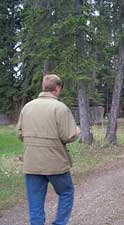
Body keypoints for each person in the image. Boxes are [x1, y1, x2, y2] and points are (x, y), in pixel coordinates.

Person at [17, 74, 80, 225]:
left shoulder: (28, 107)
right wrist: (77, 131)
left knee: (35, 202)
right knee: (66, 193)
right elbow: (68, 135)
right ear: (57, 88)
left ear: (43, 87)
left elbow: (20, 134)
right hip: (55, 163)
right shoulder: (60, 108)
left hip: (32, 163)